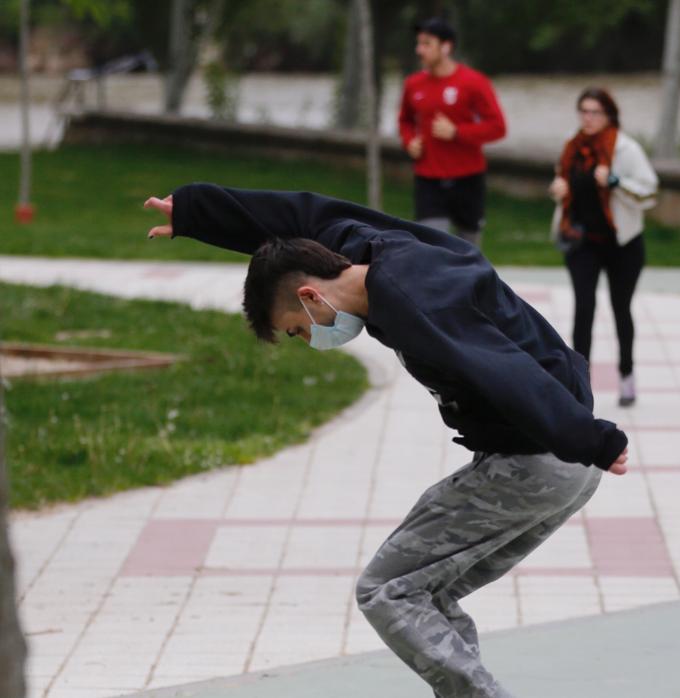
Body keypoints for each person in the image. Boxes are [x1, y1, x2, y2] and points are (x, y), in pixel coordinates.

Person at [143, 183, 628, 698]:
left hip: (544, 455)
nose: (309, 341)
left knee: (385, 591)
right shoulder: (357, 249)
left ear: (310, 296)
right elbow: (303, 213)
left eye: (297, 330)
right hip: (556, 459)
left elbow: (501, 368)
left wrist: (591, 437)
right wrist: (198, 213)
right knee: (426, 593)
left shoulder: (414, 301)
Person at [548, 87, 658, 407]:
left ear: (609, 115)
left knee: (621, 309)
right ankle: (579, 386)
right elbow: (564, 182)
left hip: (623, 243)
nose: (588, 117)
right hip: (582, 242)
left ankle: (627, 375)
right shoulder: (572, 146)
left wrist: (615, 182)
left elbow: (649, 192)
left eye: (595, 111)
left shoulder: (625, 149)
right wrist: (559, 188)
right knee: (584, 310)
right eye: (583, 110)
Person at [398, 18, 507, 248]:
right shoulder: (413, 84)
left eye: (427, 44)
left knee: (468, 250)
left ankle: (470, 284)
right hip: (428, 179)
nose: (419, 50)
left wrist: (457, 132)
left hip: (468, 179)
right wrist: (409, 142)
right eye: (419, 44)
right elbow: (405, 120)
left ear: (446, 47)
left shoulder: (474, 82)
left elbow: (498, 127)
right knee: (432, 244)